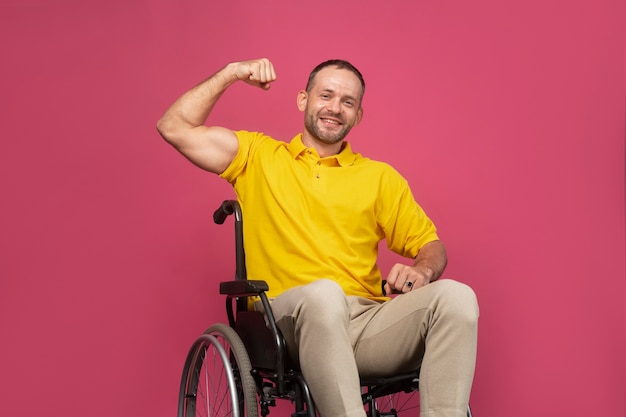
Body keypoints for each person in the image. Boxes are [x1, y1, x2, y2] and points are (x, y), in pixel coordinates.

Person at [157, 58, 479, 417]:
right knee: (324, 295)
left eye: (347, 102)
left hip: (362, 321)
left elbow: (431, 246)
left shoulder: (380, 178)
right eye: (326, 95)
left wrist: (423, 270)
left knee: (457, 297)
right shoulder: (257, 156)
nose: (335, 108)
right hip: (283, 322)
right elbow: (174, 126)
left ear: (358, 116)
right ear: (303, 100)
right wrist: (231, 72)